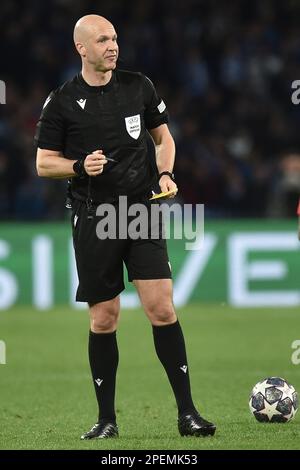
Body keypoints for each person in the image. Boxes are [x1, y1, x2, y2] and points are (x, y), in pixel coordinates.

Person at [34, 14, 216, 439]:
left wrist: (167, 174)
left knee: (162, 308)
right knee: (104, 318)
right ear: (82, 48)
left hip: (140, 210)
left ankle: (188, 414)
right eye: (102, 40)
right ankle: (106, 420)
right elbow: (44, 163)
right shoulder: (61, 101)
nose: (112, 46)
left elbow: (163, 138)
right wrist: (78, 166)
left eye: (115, 38)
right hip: (95, 215)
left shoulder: (139, 86)